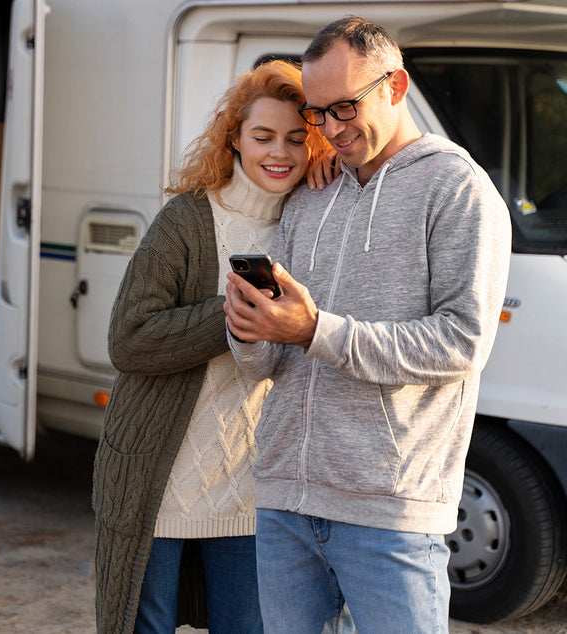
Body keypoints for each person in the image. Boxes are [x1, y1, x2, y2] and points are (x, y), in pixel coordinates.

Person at [224, 16, 512, 633]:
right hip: (283, 502)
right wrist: (250, 328)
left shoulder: (459, 190)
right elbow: (269, 363)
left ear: (396, 85)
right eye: (318, 113)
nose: (331, 128)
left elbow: (462, 344)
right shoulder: (310, 195)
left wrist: (314, 330)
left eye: (345, 107)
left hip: (392, 512)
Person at [92, 60, 330, 634]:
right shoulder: (188, 220)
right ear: (235, 139)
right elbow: (128, 339)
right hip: (159, 477)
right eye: (264, 136)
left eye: (298, 139)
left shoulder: (315, 223)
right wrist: (235, 313)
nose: (280, 153)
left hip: (253, 487)